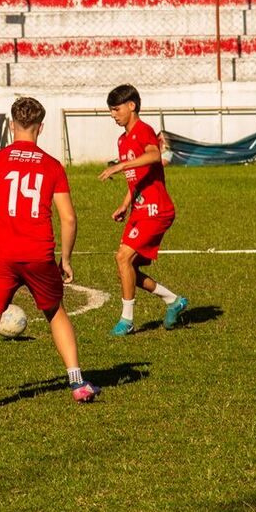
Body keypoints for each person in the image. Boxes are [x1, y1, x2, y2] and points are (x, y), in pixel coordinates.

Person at [0, 97, 99, 416]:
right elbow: (69, 218)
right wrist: (66, 258)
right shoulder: (52, 165)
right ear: (41, 128)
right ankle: (77, 383)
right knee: (56, 313)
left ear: (10, 125)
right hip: (38, 253)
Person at [99, 84, 188, 336]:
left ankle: (126, 321)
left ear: (132, 106)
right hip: (140, 210)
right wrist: (125, 204)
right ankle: (173, 300)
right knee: (128, 269)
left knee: (122, 258)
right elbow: (137, 176)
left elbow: (152, 156)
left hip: (156, 210)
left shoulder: (143, 131)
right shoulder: (123, 139)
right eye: (111, 111)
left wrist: (119, 166)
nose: (113, 115)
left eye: (116, 109)